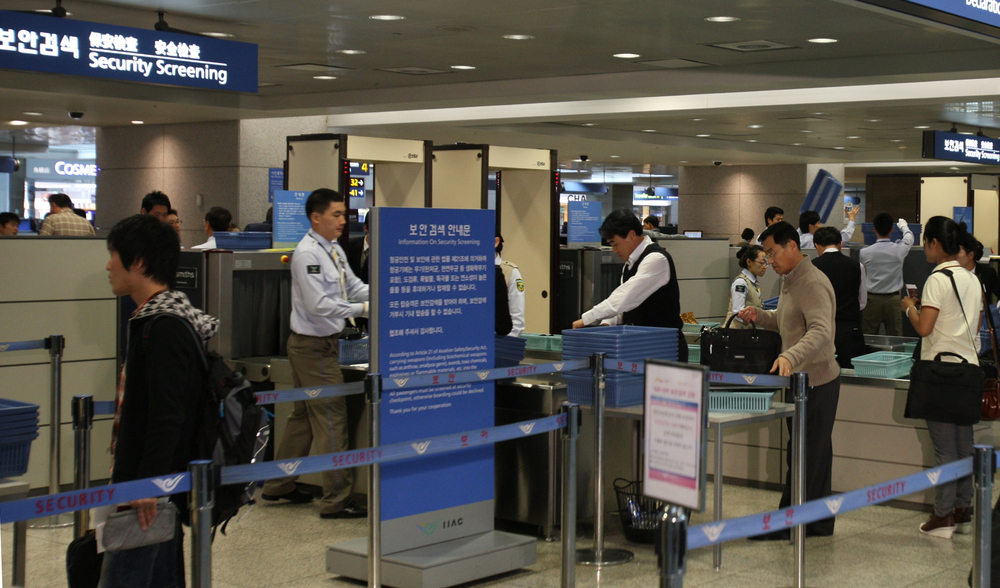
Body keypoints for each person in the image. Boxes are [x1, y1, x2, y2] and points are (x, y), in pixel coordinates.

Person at [99, 214, 219, 588]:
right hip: (153, 487)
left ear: (137, 262)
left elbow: (167, 414)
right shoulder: (158, 317)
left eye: (113, 255)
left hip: (147, 491)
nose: (108, 266)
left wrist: (149, 482)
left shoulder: (163, 326)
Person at [261, 188, 369, 519]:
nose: (342, 220)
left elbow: (353, 286)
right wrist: (364, 309)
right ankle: (337, 499)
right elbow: (319, 305)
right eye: (336, 214)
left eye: (343, 214)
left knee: (305, 417)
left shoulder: (332, 249)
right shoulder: (307, 254)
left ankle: (277, 484)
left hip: (317, 345)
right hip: (314, 348)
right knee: (331, 419)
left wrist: (384, 292)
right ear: (316, 217)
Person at [738, 221, 840, 539]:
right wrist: (760, 316)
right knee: (810, 454)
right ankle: (816, 523)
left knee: (806, 455)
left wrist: (790, 356)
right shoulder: (791, 280)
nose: (769, 260)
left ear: (792, 246)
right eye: (766, 255)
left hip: (816, 381)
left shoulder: (811, 282)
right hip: (801, 381)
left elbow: (821, 331)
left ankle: (791, 524)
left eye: (772, 253)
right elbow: (789, 323)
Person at [901, 217, 982, 539]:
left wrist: (909, 307)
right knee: (964, 447)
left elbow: (924, 328)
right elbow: (974, 327)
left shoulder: (937, 278)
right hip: (968, 370)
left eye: (925, 241)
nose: (924, 248)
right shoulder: (972, 279)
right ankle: (963, 509)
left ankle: (942, 515)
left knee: (945, 450)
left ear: (935, 243)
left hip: (939, 373)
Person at [572, 209, 686, 360]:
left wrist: (587, 319)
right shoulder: (629, 264)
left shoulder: (656, 259)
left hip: (666, 347)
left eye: (615, 244)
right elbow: (625, 309)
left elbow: (624, 298)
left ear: (631, 235)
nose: (614, 250)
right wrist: (606, 325)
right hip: (641, 346)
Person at [813, 226, 868, 368]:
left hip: (820, 331)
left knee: (822, 373)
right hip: (849, 330)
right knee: (851, 375)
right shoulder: (857, 266)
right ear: (840, 245)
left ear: (816, 246)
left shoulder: (811, 267)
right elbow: (862, 302)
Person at [860, 213, 913, 336]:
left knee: (868, 338)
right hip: (893, 300)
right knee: (895, 338)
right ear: (892, 229)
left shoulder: (865, 253)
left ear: (874, 229)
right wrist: (904, 226)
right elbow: (909, 238)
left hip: (872, 300)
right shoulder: (899, 250)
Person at [725, 244, 767, 329]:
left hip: (748, 331)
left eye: (766, 263)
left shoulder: (753, 283)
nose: (765, 267)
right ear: (749, 262)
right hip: (737, 332)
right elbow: (738, 313)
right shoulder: (741, 283)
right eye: (762, 263)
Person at [496, 232, 525, 337]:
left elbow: (517, 318)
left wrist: (506, 342)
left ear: (496, 242)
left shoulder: (510, 271)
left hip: (501, 338)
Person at [958, 233, 1000, 303]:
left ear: (970, 255)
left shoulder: (987, 273)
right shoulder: (951, 273)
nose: (954, 256)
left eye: (958, 252)